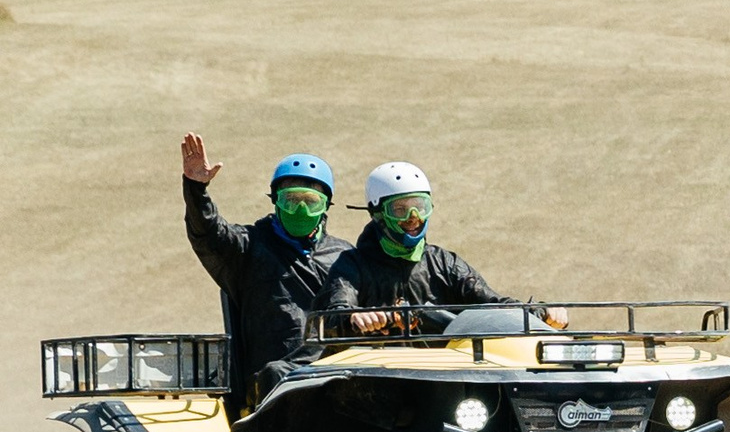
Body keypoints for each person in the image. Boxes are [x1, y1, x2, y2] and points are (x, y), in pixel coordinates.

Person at [180, 133, 351, 413]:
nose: (301, 210)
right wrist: (196, 189)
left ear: (326, 206)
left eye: (311, 201)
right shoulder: (247, 248)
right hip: (269, 392)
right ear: (275, 201)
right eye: (291, 200)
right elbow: (207, 234)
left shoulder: (344, 257)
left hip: (335, 386)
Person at [321, 162, 516, 337]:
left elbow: (493, 304)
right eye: (399, 209)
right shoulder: (352, 265)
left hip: (440, 372)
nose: (413, 218)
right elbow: (333, 317)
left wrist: (538, 313)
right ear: (378, 214)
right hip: (376, 372)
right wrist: (353, 318)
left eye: (419, 207)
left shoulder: (445, 263)